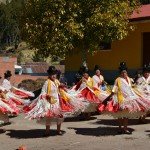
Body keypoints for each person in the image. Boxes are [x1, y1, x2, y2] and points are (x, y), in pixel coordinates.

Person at [24, 66, 84, 136]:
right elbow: (43, 92)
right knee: (49, 117)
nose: (53, 75)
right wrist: (47, 95)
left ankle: (58, 131)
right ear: (49, 75)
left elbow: (60, 90)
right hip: (50, 102)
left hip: (58, 101)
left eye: (54, 74)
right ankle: (47, 131)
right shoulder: (47, 83)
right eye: (52, 74)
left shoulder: (57, 81)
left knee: (60, 116)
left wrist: (62, 87)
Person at [98, 62, 150, 134]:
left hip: (129, 98)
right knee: (120, 114)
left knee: (126, 114)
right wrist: (110, 96)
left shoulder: (129, 79)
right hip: (120, 98)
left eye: (125, 72)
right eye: (123, 72)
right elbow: (115, 88)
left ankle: (125, 128)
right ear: (120, 73)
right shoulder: (118, 79)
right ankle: (120, 128)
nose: (124, 74)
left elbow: (132, 86)